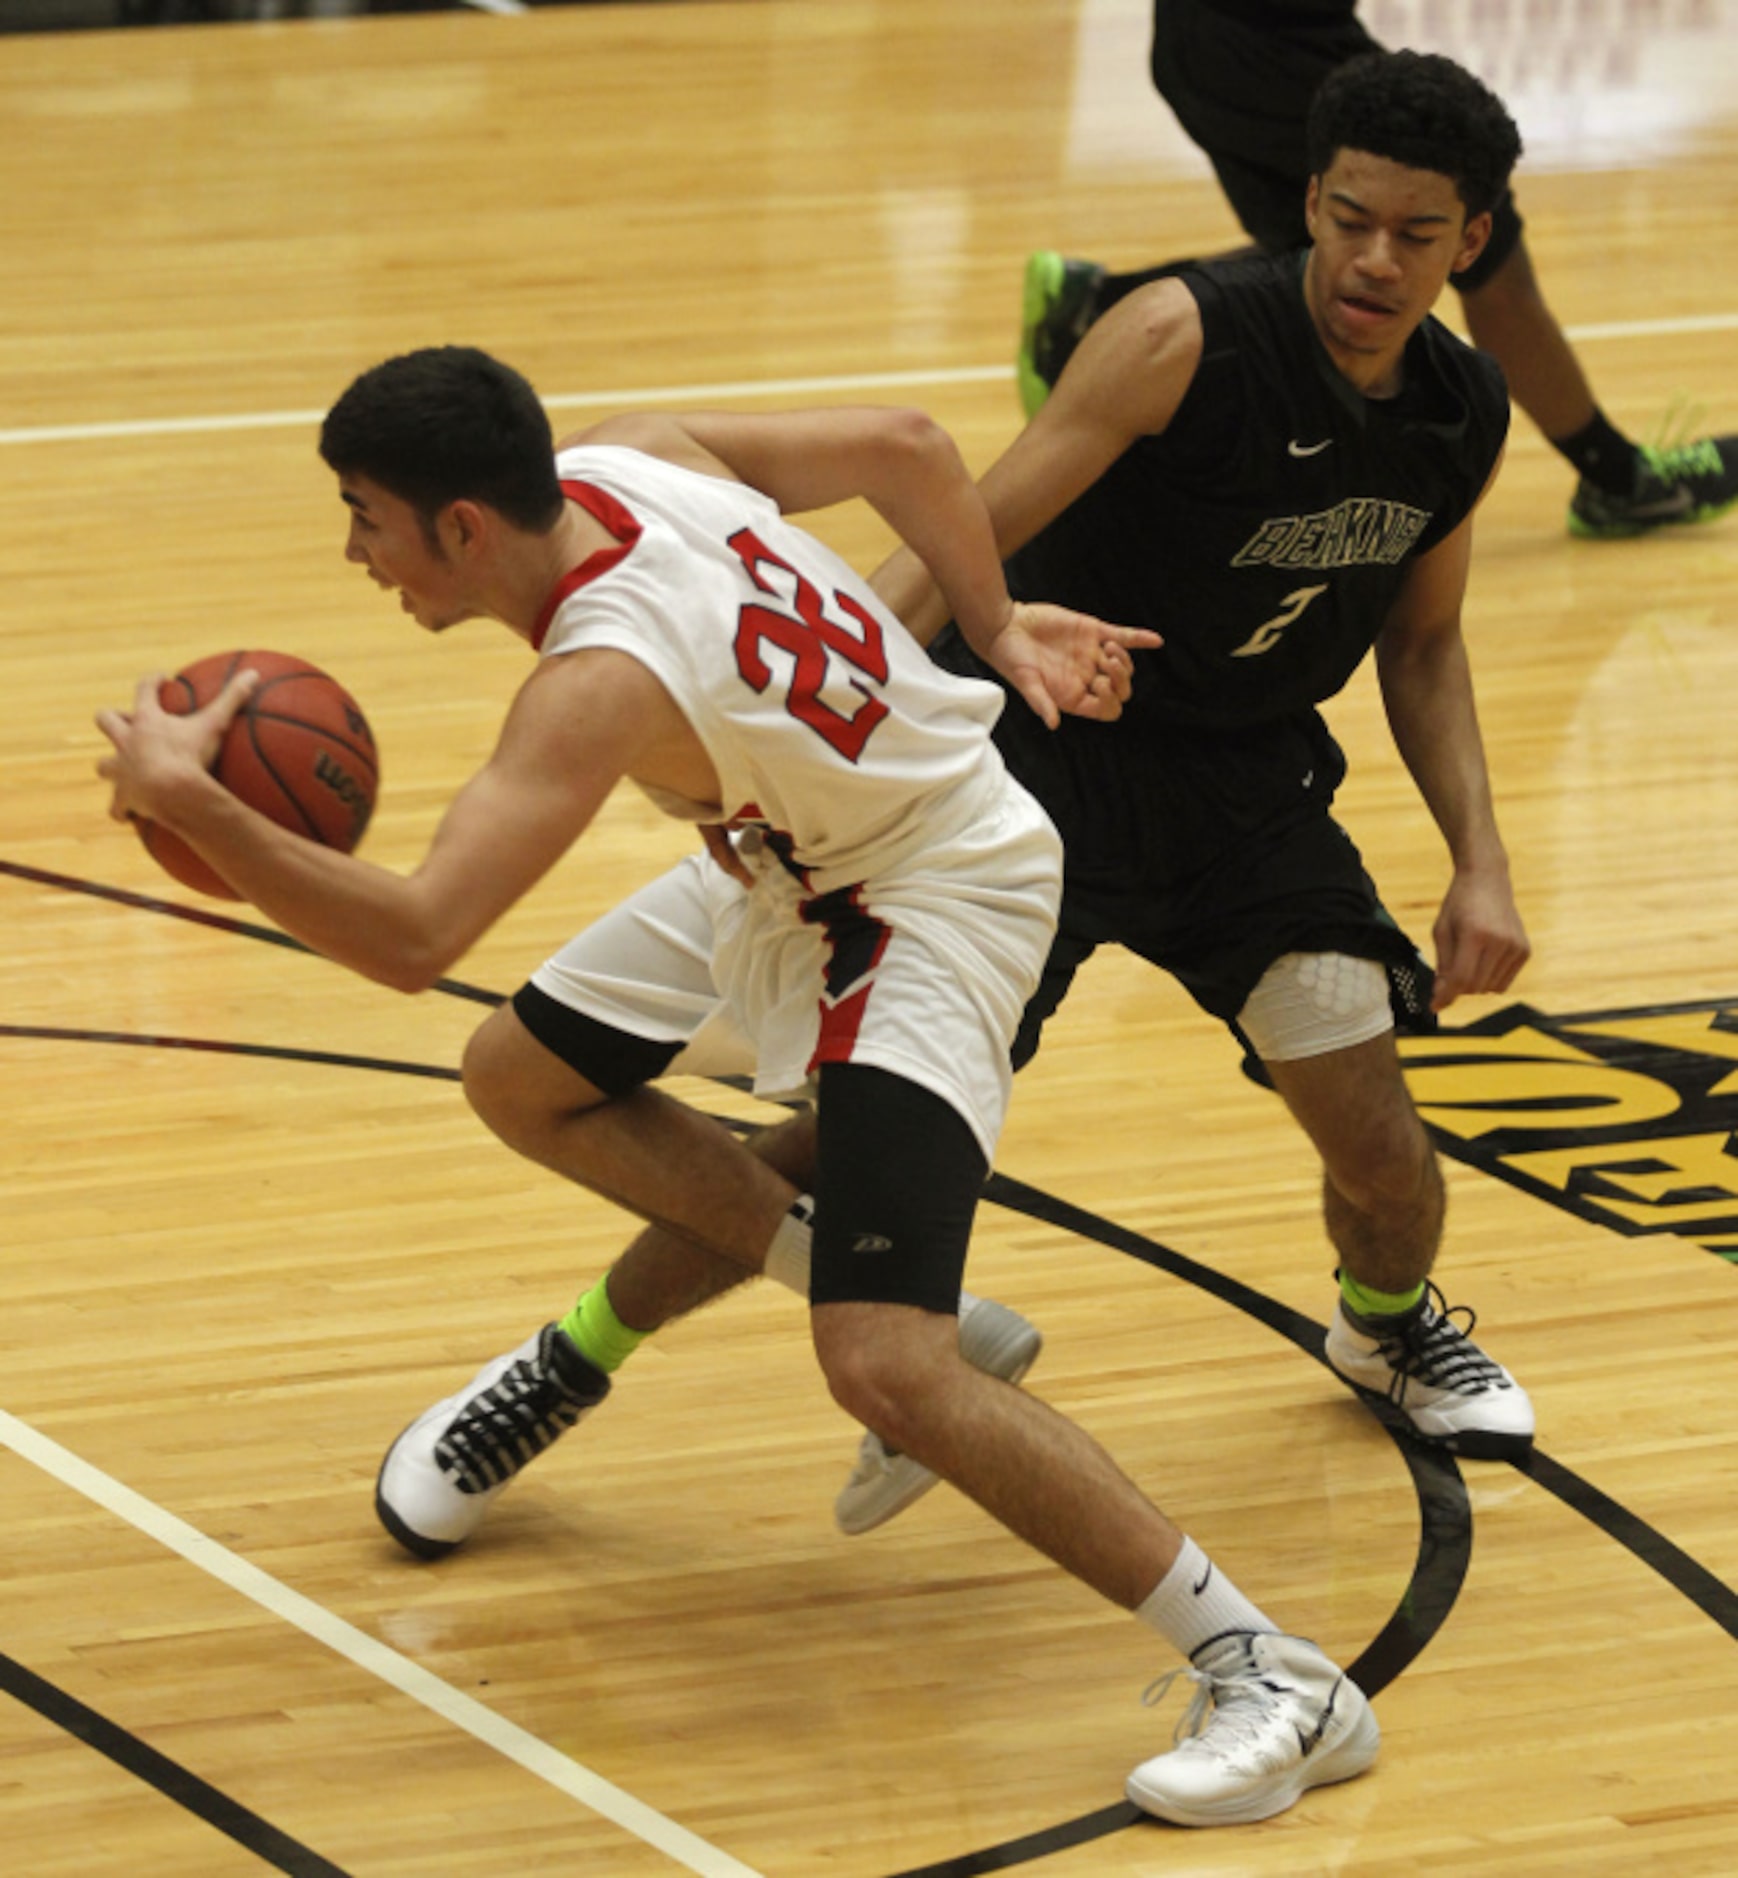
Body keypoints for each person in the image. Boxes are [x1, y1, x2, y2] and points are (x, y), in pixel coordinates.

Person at [96, 346, 1378, 1827]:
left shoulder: (593, 681)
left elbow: (413, 933)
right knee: (517, 1074)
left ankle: (1272, 1672)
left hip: (935, 896)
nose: (351, 552)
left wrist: (195, 806)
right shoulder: (630, 454)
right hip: (797, 867)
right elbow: (904, 442)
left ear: (461, 524)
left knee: (885, 1367)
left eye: (364, 515)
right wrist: (992, 622)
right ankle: (902, 1296)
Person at [404, 48, 1542, 1568]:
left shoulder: (1461, 413)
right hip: (1028, 780)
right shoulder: (1175, 336)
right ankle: (562, 1360)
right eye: (1345, 220)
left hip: (1244, 806)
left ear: (1471, 239)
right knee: (826, 1158)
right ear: (1309, 205)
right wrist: (803, 746)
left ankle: (1385, 1329)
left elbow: (1422, 640)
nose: (1370, 260)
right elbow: (959, 536)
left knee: (1382, 1148)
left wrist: (1481, 859)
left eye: (1412, 234)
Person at [1017, 0, 1738, 541]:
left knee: (1329, 252)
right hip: (1264, 43)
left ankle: (1096, 309)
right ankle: (1620, 480)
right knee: (1479, 250)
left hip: (1211, 36)